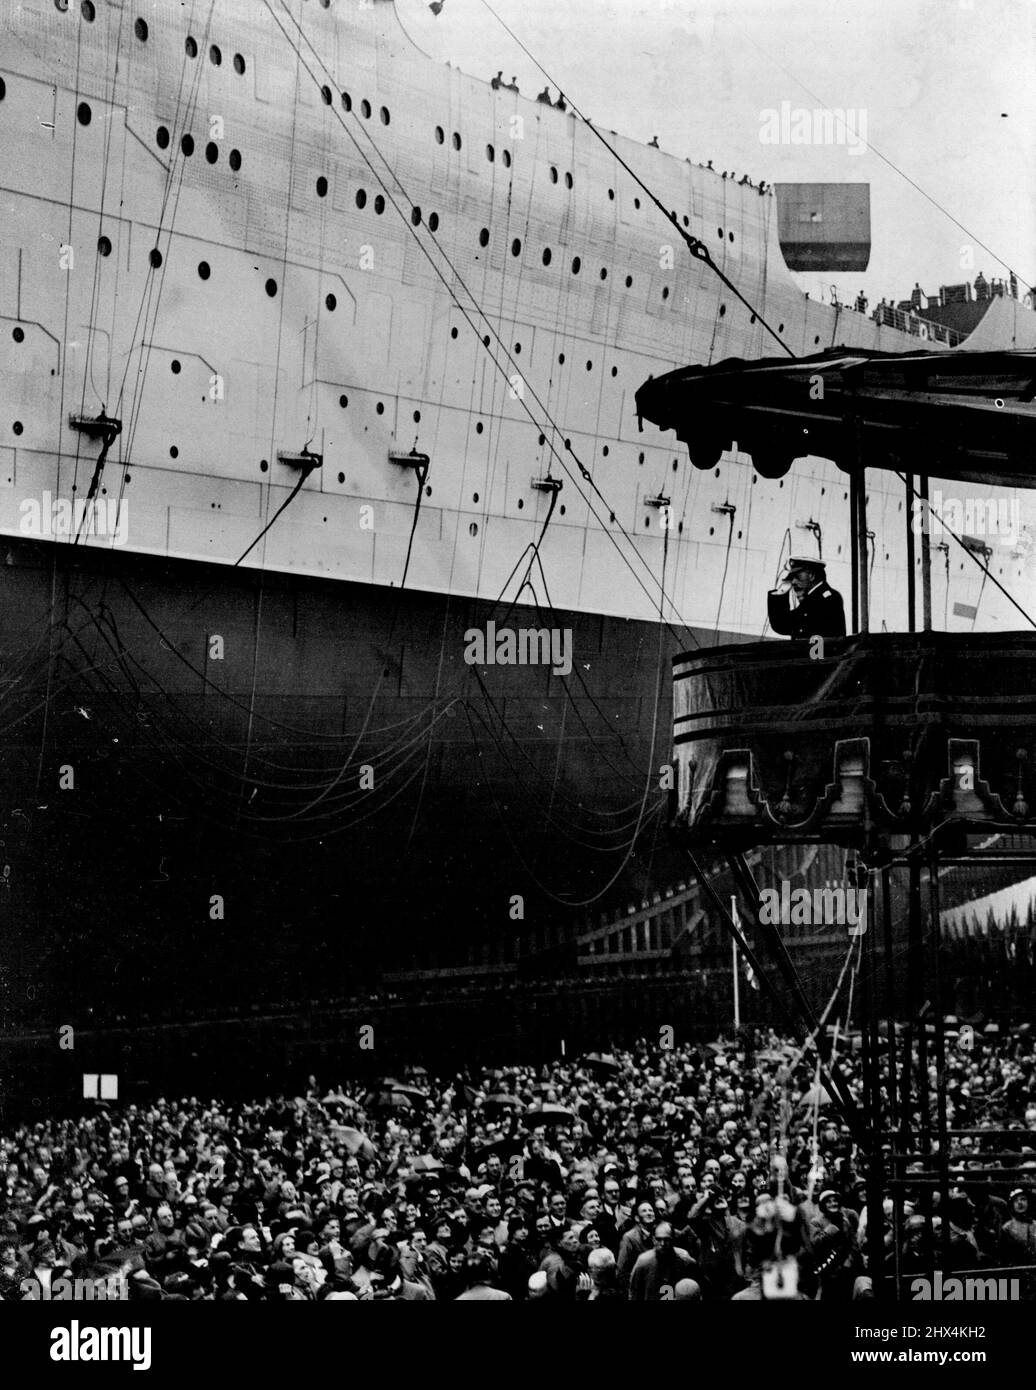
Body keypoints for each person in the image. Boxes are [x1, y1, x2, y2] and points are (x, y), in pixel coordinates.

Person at [767, 556, 845, 640]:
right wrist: (781, 591)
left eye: (797, 576)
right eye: (792, 577)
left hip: (819, 652)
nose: (793, 582)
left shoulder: (828, 598)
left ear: (811, 575)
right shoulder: (811, 600)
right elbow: (782, 625)